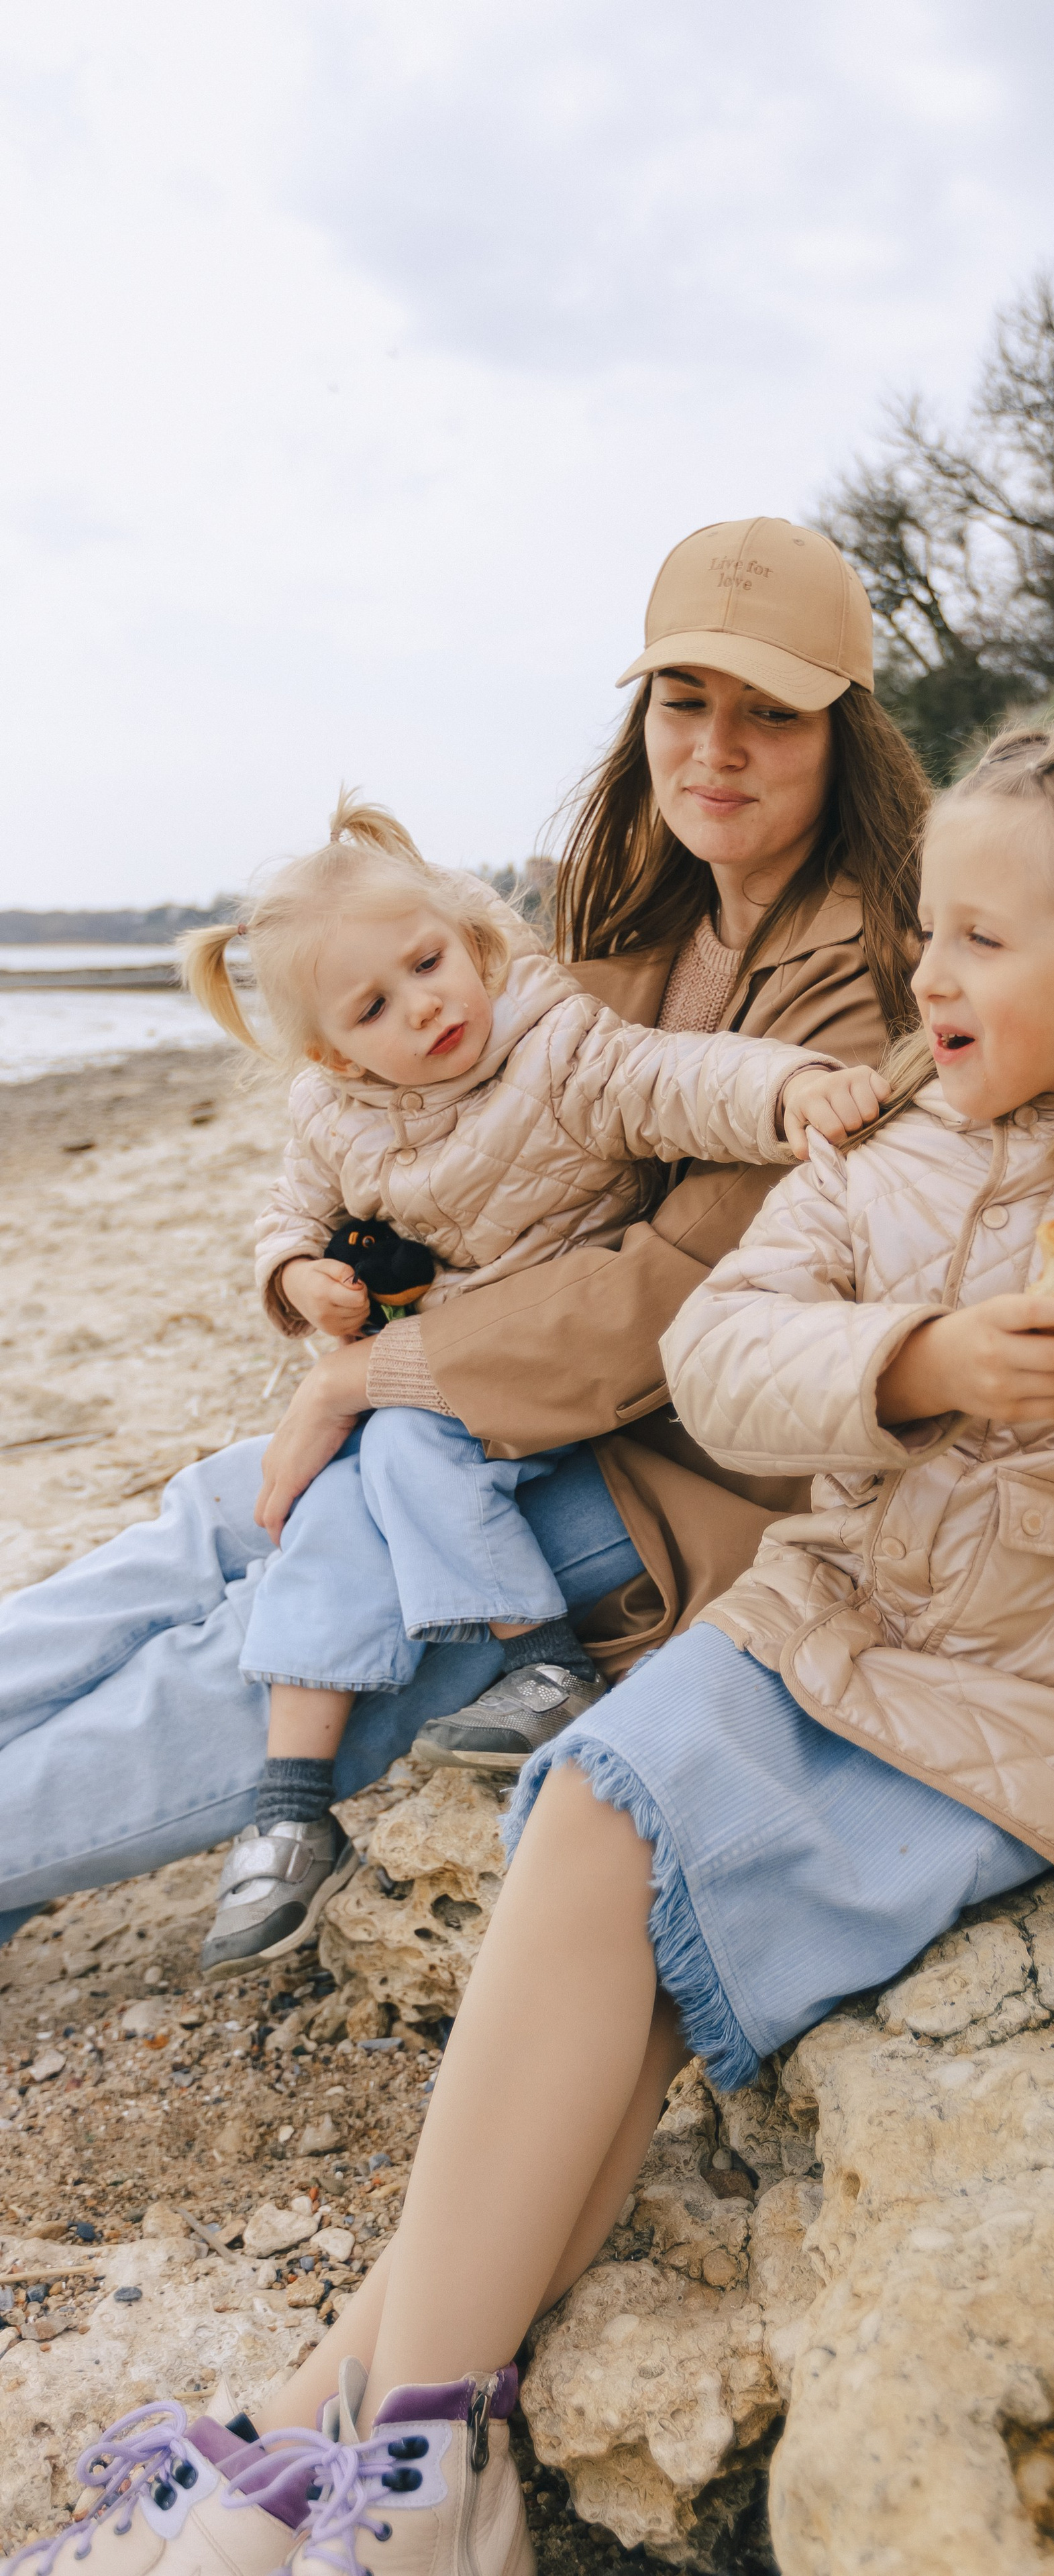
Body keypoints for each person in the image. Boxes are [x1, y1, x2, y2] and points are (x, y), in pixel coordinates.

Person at [1, 726, 1054, 2575]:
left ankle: (362, 2444)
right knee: (587, 1826)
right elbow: (725, 1357)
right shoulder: (884, 1158)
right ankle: (375, 2439)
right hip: (832, 1611)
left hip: (1024, 1698)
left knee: (615, 1883)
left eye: (983, 944)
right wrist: (922, 1361)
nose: (928, 975)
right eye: (927, 932)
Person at [0, 517, 926, 1951]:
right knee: (206, 1526)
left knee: (257, 1643)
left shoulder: (865, 977)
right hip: (488, 1412)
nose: (715, 749)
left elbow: (682, 1292)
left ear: (843, 731)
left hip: (664, 1475)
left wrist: (372, 1378)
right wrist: (338, 1302)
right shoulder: (635, 922)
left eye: (770, 713)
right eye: (686, 701)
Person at [174, 792, 886, 1980]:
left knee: (389, 1457)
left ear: (474, 940)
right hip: (439, 1382)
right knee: (324, 1518)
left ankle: (541, 1657)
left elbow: (678, 1077)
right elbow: (287, 1212)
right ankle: (290, 1803)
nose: (428, 1005)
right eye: (377, 1006)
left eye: (429, 961)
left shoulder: (559, 1046)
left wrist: (790, 1090)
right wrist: (300, 1279)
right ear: (332, 1053)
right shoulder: (333, 1115)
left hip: (546, 1385)